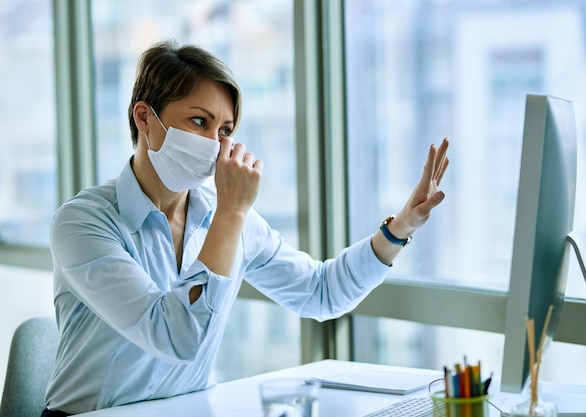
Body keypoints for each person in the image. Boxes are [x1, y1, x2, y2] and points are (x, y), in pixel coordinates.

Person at [43, 40, 449, 416]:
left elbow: (322, 292)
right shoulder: (84, 223)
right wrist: (230, 215)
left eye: (224, 131)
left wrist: (400, 227)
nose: (216, 146)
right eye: (199, 121)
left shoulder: (224, 214)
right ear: (145, 118)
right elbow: (173, 336)